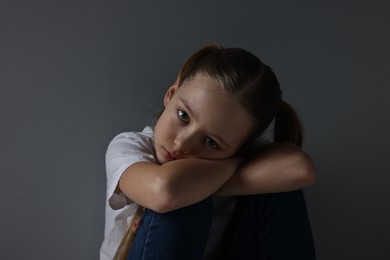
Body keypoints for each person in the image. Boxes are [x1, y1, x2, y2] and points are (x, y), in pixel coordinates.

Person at [100, 44, 317, 260]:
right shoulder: (130, 146)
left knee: (280, 189)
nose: (182, 143)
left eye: (211, 142)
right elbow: (165, 192)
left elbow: (301, 169)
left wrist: (218, 175)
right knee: (185, 194)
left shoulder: (237, 154)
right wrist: (233, 165)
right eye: (183, 115)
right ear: (171, 94)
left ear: (239, 147)